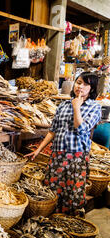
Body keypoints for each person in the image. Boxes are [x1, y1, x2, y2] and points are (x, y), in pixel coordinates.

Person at [26, 72, 102, 217]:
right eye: (79, 82)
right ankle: (53, 219)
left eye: (86, 84)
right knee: (52, 190)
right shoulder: (63, 105)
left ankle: (70, 223)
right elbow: (53, 131)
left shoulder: (94, 107)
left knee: (73, 194)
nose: (81, 86)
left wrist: (76, 108)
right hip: (57, 155)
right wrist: (38, 150)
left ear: (91, 89)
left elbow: (81, 129)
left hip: (76, 158)